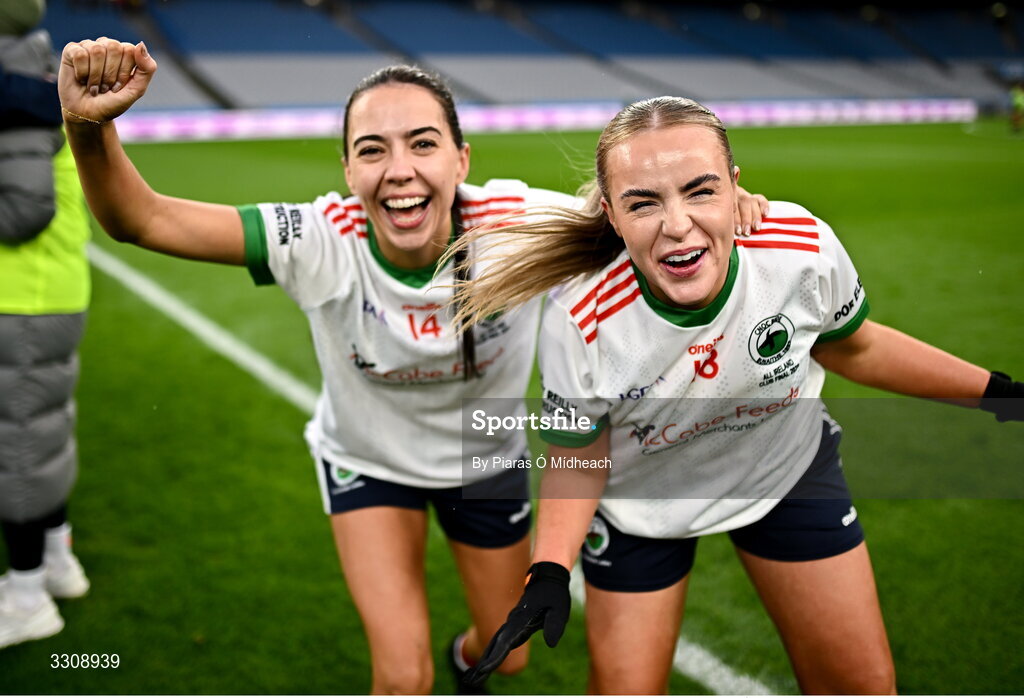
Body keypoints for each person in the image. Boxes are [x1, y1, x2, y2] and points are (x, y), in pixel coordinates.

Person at [57, 36, 772, 693]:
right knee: (401, 676)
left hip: (482, 459)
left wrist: (722, 199)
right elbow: (141, 219)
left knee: (506, 651)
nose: (399, 171)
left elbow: (634, 215)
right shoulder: (317, 238)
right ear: (347, 170)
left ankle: (470, 673)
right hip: (367, 462)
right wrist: (89, 128)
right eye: (372, 150)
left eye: (422, 144)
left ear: (461, 159)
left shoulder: (514, 225)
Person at [447, 96, 1024, 694]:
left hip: (783, 471)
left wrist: (999, 394)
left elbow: (857, 348)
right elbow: (577, 456)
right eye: (643, 203)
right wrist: (547, 571)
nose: (677, 225)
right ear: (613, 216)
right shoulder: (583, 316)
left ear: (735, 188)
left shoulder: (797, 249)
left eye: (701, 191)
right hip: (641, 505)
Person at [0, 1, 92, 650]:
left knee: (20, 451)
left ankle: (27, 595)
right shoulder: (27, 68)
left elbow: (24, 208)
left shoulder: (11, 80)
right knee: (41, 438)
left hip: (24, 297)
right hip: (42, 293)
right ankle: (57, 564)